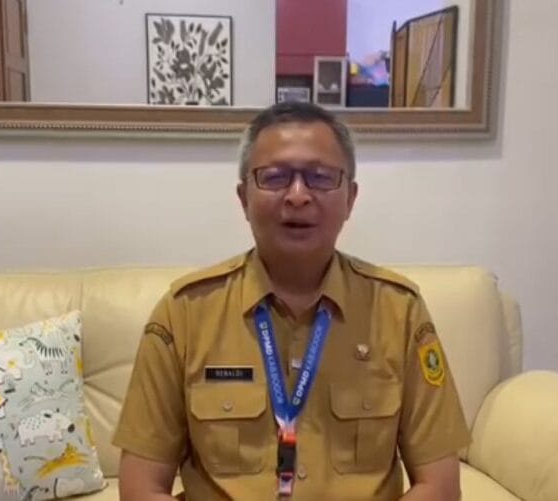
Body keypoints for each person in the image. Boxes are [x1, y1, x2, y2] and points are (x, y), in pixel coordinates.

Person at [112, 102, 470, 500]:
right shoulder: (183, 314)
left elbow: (440, 486)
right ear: (243, 197)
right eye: (275, 177)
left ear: (350, 199)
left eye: (320, 177)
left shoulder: (399, 312)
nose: (298, 195)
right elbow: (140, 487)